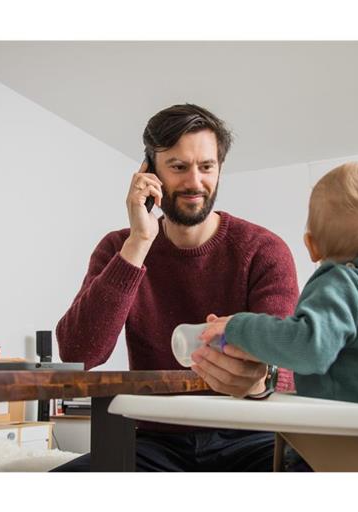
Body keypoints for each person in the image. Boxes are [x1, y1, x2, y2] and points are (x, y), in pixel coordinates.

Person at [52, 104, 299, 471]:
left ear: (220, 168)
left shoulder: (264, 250)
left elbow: (286, 370)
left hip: (250, 436)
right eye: (179, 167)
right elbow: (78, 352)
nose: (195, 182)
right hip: (153, 442)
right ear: (150, 174)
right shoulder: (119, 248)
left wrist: (259, 380)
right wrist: (138, 241)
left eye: (206, 166)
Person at [200, 161, 358, 409]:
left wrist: (239, 326)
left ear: (311, 246)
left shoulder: (340, 283)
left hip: (348, 438)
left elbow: (308, 347)